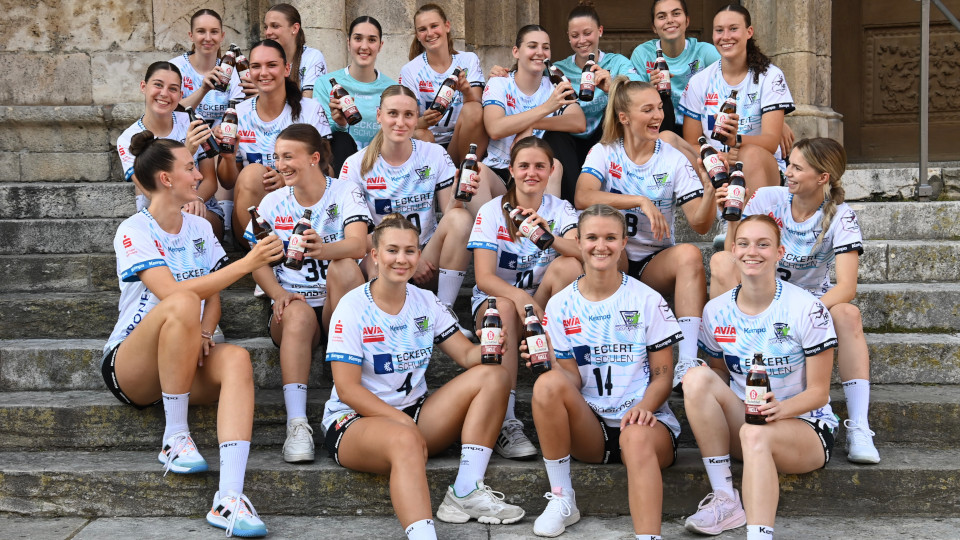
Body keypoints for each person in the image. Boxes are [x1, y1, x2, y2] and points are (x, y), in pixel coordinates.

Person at [103, 131, 283, 537]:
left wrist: (204, 330)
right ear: (166, 179)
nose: (199, 175)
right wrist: (247, 263)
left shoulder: (200, 228)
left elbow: (213, 296)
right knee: (182, 301)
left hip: (184, 356)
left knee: (236, 357)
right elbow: (172, 295)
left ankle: (229, 499)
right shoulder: (134, 229)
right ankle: (175, 436)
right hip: (132, 364)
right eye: (189, 167)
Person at [322, 214, 526, 539]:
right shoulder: (353, 306)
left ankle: (465, 492)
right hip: (354, 421)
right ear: (375, 255)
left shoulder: (426, 301)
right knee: (404, 440)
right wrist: (401, 424)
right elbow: (347, 389)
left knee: (495, 376)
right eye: (392, 250)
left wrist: (491, 347)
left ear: (419, 255)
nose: (402, 259)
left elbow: (467, 356)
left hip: (415, 414)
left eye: (410, 251)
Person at [710, 137, 879, 464]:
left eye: (797, 168)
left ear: (822, 177)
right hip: (761, 295)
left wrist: (800, 312)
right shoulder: (769, 198)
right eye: (789, 164)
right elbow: (736, 250)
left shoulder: (841, 215)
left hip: (812, 302)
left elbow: (846, 286)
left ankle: (858, 424)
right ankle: (727, 350)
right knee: (719, 261)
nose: (787, 172)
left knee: (848, 314)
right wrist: (731, 219)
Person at [530, 204, 682, 539]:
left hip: (646, 426)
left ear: (624, 242)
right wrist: (551, 371)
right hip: (592, 429)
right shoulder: (560, 305)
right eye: (593, 237)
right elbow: (571, 377)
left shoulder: (647, 299)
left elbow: (662, 375)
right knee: (547, 384)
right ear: (579, 242)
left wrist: (643, 408)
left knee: (636, 435)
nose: (602, 246)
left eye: (611, 237)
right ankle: (561, 499)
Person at [683, 214, 839, 539]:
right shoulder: (716, 310)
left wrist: (780, 408)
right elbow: (718, 372)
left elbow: (820, 394)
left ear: (780, 252)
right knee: (696, 378)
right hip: (747, 424)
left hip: (804, 427)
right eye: (743, 243)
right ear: (734, 250)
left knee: (756, 435)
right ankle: (726, 499)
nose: (752, 251)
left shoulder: (806, 308)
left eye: (762, 244)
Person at [575, 76, 716, 389]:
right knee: (604, 248)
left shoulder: (673, 158)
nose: (658, 116)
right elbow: (583, 196)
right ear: (624, 117)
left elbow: (701, 225)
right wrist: (639, 200)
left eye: (659, 108)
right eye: (647, 109)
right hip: (615, 259)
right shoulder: (605, 151)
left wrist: (708, 192)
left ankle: (688, 361)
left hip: (655, 262)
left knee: (691, 254)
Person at [244, 124, 370, 463]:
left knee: (345, 266)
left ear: (314, 158)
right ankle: (297, 424)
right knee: (296, 311)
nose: (280, 164)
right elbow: (257, 260)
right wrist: (277, 293)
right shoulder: (272, 201)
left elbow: (360, 243)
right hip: (295, 306)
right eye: (277, 157)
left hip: (335, 306)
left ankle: (351, 397)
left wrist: (322, 247)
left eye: (289, 157)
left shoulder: (345, 191)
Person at [467, 137, 583, 460]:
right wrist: (520, 298)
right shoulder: (492, 212)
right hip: (498, 303)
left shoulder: (560, 209)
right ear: (511, 170)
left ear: (550, 171)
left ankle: (567, 391)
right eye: (524, 166)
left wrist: (553, 238)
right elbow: (484, 278)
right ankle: (506, 419)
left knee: (569, 267)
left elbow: (582, 255)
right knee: (502, 305)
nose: (531, 173)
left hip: (542, 298)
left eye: (539, 166)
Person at [339, 85, 473, 324]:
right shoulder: (354, 165)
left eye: (408, 115)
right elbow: (356, 239)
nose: (400, 122)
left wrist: (456, 196)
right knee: (373, 262)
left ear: (416, 117)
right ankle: (382, 323)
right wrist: (405, 254)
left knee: (462, 218)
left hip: (427, 260)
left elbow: (451, 217)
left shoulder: (434, 154)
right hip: (381, 256)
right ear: (379, 115)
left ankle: (445, 314)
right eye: (393, 114)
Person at [217, 39, 332, 248]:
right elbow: (228, 183)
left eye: (272, 65)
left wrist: (288, 178)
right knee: (252, 173)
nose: (264, 72)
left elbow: (328, 170)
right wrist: (228, 157)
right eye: (256, 66)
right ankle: (264, 253)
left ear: (287, 68)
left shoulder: (310, 109)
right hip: (254, 219)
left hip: (303, 210)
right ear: (248, 71)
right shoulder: (237, 114)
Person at [679, 4, 795, 194]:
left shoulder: (770, 76)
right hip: (715, 167)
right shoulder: (699, 81)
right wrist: (719, 157)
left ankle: (754, 220)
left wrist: (736, 141)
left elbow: (771, 141)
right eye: (719, 30)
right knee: (669, 142)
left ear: (749, 32)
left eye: (733, 29)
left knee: (748, 154)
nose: (725, 36)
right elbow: (693, 141)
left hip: (760, 166)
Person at [479, 24, 586, 208]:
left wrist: (532, 124)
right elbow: (495, 128)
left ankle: (548, 231)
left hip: (535, 174)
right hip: (501, 171)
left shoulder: (555, 83)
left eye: (545, 47)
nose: (540, 52)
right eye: (532, 46)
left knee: (555, 167)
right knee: (477, 171)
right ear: (516, 51)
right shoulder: (500, 83)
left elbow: (578, 122)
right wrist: (546, 108)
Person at [117, 61, 224, 239]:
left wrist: (195, 200)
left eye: (173, 89)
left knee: (190, 217)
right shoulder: (128, 139)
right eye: (158, 85)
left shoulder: (193, 121)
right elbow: (150, 191)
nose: (164, 94)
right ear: (143, 87)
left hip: (200, 208)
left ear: (181, 94)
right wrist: (186, 152)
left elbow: (210, 181)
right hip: (160, 215)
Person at [552, 1, 645, 188]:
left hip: (606, 136)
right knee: (554, 135)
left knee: (615, 114)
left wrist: (612, 87)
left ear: (600, 31)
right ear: (568, 37)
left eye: (588, 33)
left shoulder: (617, 62)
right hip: (571, 140)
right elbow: (527, 79)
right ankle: (573, 203)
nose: (582, 41)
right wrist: (504, 74)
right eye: (575, 35)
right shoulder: (558, 69)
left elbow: (640, 97)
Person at [399, 3, 488, 164]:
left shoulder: (468, 59)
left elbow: (478, 108)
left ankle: (463, 174)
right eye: (423, 29)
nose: (430, 33)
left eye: (434, 26)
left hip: (461, 139)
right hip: (432, 143)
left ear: (447, 26)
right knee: (421, 134)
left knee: (474, 108)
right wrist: (424, 121)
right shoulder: (410, 70)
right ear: (417, 35)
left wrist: (466, 91)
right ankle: (438, 182)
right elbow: (405, 123)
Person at [313, 16, 397, 173]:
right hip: (339, 164)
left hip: (381, 164)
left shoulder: (393, 88)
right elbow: (320, 138)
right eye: (358, 38)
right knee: (341, 139)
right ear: (348, 42)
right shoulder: (325, 83)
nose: (364, 46)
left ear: (380, 45)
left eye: (372, 40)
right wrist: (340, 124)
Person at [631, 0, 720, 137]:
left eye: (676, 14)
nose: (670, 20)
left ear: (687, 21)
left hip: (700, 127)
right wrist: (649, 88)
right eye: (662, 16)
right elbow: (631, 101)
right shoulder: (643, 54)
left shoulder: (705, 52)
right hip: (659, 128)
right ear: (654, 27)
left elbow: (730, 85)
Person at [171, 9, 246, 125]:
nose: (208, 38)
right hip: (182, 141)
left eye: (214, 32)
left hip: (221, 140)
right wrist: (203, 90)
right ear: (191, 36)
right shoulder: (175, 68)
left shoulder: (233, 72)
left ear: (222, 36)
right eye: (201, 31)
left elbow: (241, 116)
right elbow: (169, 114)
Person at [263, 3, 327, 98]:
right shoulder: (262, 59)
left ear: (295, 28)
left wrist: (262, 98)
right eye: (266, 27)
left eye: (275, 26)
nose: (268, 32)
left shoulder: (312, 57)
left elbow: (308, 104)